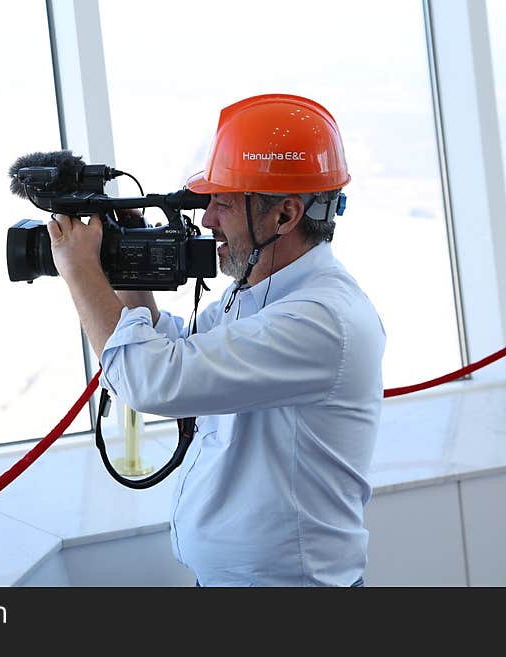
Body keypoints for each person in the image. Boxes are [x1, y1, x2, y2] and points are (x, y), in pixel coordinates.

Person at [46, 94, 385, 587]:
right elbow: (183, 355)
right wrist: (130, 272)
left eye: (223, 203)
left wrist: (79, 271)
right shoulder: (257, 293)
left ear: (285, 216)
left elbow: (151, 383)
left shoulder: (319, 320)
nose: (207, 221)